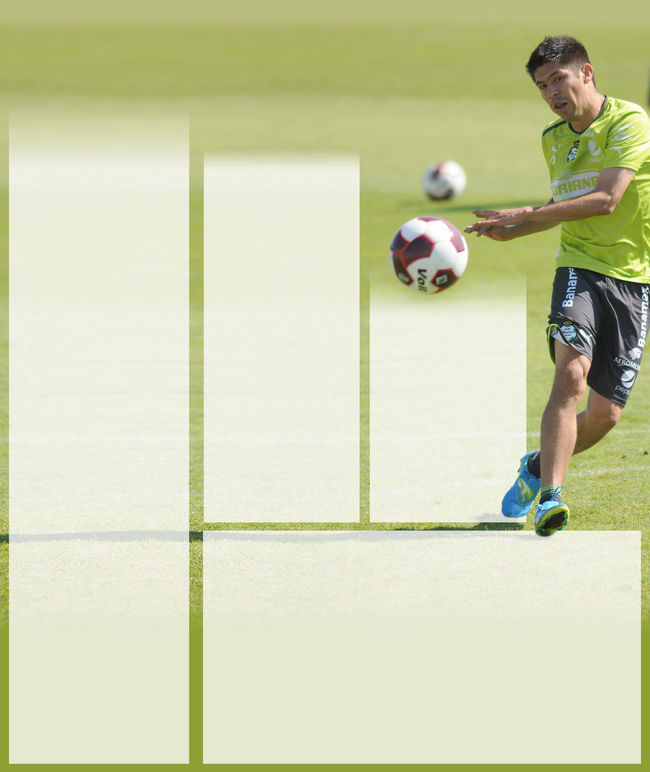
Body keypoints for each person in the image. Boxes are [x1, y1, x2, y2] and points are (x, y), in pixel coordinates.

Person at [465, 35, 650, 537]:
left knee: (606, 416)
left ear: (586, 72)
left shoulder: (628, 121)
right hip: (578, 269)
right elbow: (564, 203)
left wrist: (527, 213)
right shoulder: (553, 138)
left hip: (632, 279)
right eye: (542, 86)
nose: (551, 93)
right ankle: (550, 497)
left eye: (558, 80)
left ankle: (534, 466)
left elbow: (606, 199)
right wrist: (514, 230)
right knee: (570, 377)